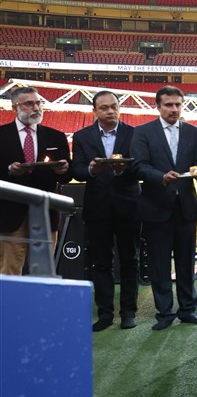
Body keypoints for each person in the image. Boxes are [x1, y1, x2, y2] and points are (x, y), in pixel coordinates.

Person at [131, 86, 197, 330]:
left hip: (186, 207)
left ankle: (188, 309)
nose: (174, 109)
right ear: (158, 106)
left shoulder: (193, 132)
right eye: (168, 105)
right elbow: (138, 166)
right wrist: (161, 177)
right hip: (156, 207)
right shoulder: (143, 132)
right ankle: (164, 313)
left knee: (186, 263)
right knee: (160, 264)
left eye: (177, 104)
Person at [70, 91, 141, 330]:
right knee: (101, 262)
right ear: (95, 111)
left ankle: (129, 312)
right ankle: (105, 314)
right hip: (97, 208)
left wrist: (122, 170)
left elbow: (140, 167)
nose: (110, 111)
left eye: (114, 106)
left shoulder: (134, 134)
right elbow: (76, 170)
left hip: (128, 206)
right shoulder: (82, 136)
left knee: (130, 259)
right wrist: (91, 169)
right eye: (104, 108)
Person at [0, 86, 71, 275]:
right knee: (9, 272)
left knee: (44, 273)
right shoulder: (2, 135)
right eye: (29, 104)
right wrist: (9, 171)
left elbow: (66, 176)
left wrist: (62, 170)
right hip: (10, 215)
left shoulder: (56, 137)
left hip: (46, 214)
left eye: (38, 103)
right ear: (14, 108)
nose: (36, 108)